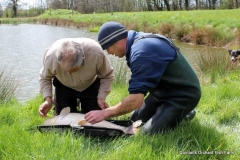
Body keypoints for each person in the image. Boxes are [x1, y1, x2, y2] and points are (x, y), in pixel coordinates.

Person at [84, 21, 201, 134]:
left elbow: (135, 101)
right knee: (134, 122)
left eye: (107, 48)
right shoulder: (135, 42)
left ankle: (185, 114)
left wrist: (105, 113)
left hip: (182, 96)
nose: (108, 52)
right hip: (161, 92)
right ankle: (169, 113)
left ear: (115, 42)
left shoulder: (142, 52)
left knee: (145, 134)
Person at [39, 38, 114, 117]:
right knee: (62, 119)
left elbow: (107, 75)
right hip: (64, 85)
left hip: (90, 85)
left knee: (95, 119)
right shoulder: (51, 57)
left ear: (83, 59)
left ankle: (84, 103)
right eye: (65, 70)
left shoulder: (96, 53)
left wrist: (101, 97)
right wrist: (48, 100)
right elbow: (45, 78)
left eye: (72, 70)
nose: (69, 73)